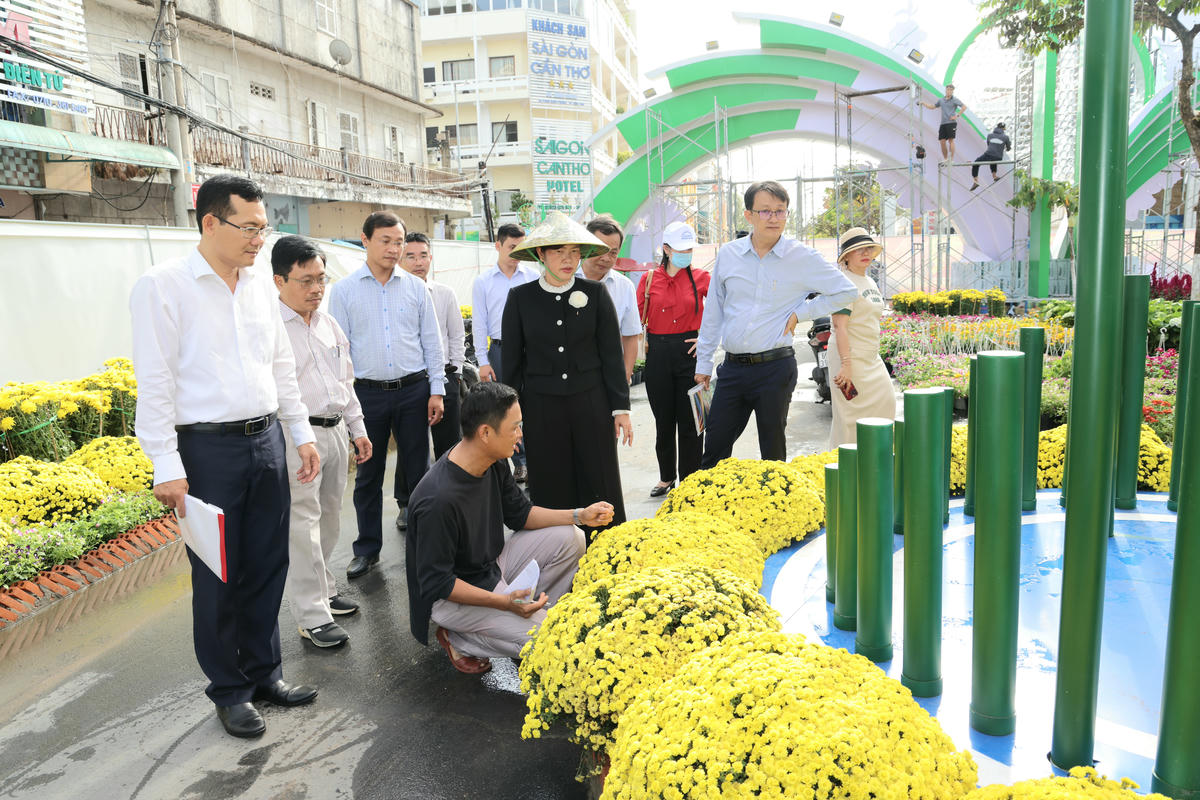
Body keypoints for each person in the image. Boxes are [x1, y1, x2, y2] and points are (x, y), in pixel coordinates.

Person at [129, 175, 320, 739]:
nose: (260, 239)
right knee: (218, 574)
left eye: (265, 228)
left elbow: (279, 366)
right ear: (210, 222)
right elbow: (155, 379)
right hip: (206, 449)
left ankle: (265, 674)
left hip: (265, 442)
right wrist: (166, 463)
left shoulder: (261, 285)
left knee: (267, 563)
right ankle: (230, 691)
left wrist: (300, 432)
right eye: (249, 227)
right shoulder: (162, 286)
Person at [406, 382, 611, 673]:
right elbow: (438, 583)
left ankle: (527, 615)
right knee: (552, 639)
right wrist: (502, 603)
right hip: (450, 599)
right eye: (515, 427)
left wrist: (580, 515)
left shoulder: (492, 460)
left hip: (491, 569)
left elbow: (521, 514)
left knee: (571, 537)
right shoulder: (438, 500)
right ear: (485, 433)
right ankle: (460, 638)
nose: (520, 434)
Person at [694, 180, 859, 467]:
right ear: (748, 215)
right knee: (714, 449)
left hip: (775, 368)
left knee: (772, 451)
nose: (774, 218)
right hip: (732, 370)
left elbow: (847, 292)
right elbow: (714, 313)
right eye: (765, 211)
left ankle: (775, 510)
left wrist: (801, 312)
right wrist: (703, 365)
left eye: (780, 211)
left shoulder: (802, 257)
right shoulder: (729, 255)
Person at [328, 211, 446, 579]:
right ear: (364, 240)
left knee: (420, 473)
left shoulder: (415, 287)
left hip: (414, 391)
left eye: (399, 242)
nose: (394, 249)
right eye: (386, 241)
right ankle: (367, 549)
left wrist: (437, 390)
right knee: (368, 475)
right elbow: (337, 351)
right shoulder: (344, 291)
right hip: (367, 396)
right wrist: (346, 406)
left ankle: (427, 547)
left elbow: (432, 341)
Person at [501, 211, 632, 537]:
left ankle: (608, 547)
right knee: (550, 479)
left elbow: (612, 356)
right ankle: (558, 548)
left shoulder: (596, 294)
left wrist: (621, 409)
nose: (568, 259)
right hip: (541, 407)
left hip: (592, 402)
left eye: (574, 252)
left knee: (599, 475)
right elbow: (512, 364)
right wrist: (510, 419)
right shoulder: (521, 298)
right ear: (541, 254)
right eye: (559, 252)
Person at [271, 235, 372, 649]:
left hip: (334, 431)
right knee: (303, 525)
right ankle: (312, 615)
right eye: (305, 280)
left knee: (330, 516)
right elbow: (279, 391)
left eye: (321, 279)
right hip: (299, 437)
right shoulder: (271, 328)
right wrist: (299, 439)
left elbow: (344, 381)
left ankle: (324, 589)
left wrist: (358, 428)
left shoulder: (328, 324)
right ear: (279, 280)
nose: (316, 288)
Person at [637, 220, 710, 497]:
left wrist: (706, 340)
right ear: (666, 249)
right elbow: (634, 319)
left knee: (694, 421)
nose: (686, 253)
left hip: (692, 354)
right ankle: (666, 476)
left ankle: (691, 481)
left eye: (690, 248)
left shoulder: (703, 278)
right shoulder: (649, 280)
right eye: (680, 249)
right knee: (664, 421)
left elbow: (724, 311)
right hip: (658, 354)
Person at [470, 223, 537, 483]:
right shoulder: (483, 282)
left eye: (522, 248)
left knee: (533, 405)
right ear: (498, 246)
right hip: (499, 350)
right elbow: (479, 323)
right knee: (507, 410)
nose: (516, 252)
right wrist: (483, 362)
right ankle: (520, 463)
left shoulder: (532, 276)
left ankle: (538, 460)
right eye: (511, 247)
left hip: (531, 350)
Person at [827, 228, 897, 448]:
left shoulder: (870, 281)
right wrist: (846, 364)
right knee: (850, 420)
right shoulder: (843, 283)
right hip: (849, 358)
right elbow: (840, 326)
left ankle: (874, 467)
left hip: (871, 359)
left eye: (868, 248)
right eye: (858, 249)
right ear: (846, 256)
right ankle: (844, 474)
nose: (865, 253)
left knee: (887, 405)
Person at [400, 231, 466, 459]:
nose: (418, 262)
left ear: (431, 257)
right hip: (410, 381)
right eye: (410, 256)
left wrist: (456, 373)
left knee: (449, 447)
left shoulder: (445, 293)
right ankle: (411, 495)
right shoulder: (395, 296)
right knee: (412, 449)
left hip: (446, 378)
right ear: (400, 258)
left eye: (423, 255)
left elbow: (457, 335)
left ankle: (451, 493)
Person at [582, 214, 642, 383]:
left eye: (613, 253)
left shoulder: (624, 286)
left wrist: (625, 375)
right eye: (600, 250)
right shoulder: (566, 281)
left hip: (609, 375)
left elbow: (630, 336)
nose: (606, 258)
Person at [921, 84, 966, 163]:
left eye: (950, 90)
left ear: (952, 91)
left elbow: (964, 107)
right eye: (948, 89)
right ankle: (945, 159)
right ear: (946, 90)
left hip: (951, 123)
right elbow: (933, 106)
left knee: (951, 140)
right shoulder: (941, 100)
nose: (949, 91)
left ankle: (951, 159)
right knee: (942, 141)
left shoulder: (954, 100)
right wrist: (923, 103)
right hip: (943, 123)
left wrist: (957, 115)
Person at [970, 122, 1012, 190]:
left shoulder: (990, 135)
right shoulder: (1006, 137)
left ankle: (975, 181)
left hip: (989, 154)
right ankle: (994, 176)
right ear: (1003, 129)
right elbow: (1008, 149)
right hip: (998, 156)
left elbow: (989, 145)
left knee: (976, 163)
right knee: (993, 160)